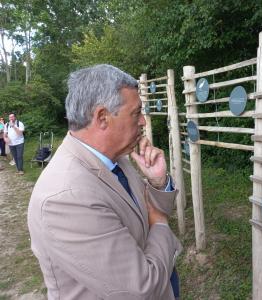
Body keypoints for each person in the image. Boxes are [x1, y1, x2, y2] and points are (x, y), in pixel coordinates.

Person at [28, 64, 182, 300]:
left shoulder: (115, 157)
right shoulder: (66, 197)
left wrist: (158, 182)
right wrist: (160, 222)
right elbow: (142, 287)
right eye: (135, 113)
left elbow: (143, 214)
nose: (143, 121)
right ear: (102, 117)